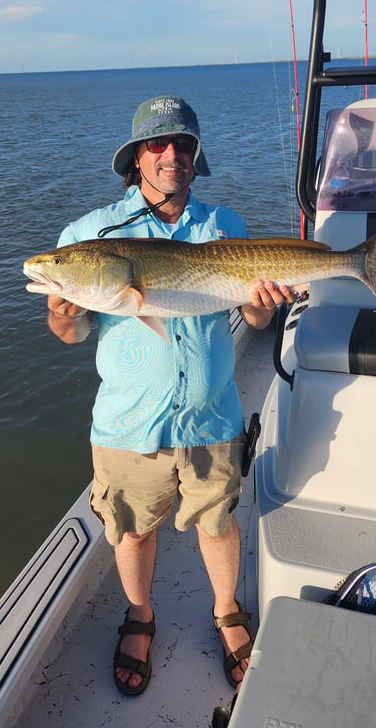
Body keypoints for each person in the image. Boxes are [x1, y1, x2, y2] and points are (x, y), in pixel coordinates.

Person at [46, 95, 295, 695]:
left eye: (183, 144)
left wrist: (261, 312)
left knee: (217, 522)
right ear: (136, 158)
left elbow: (251, 321)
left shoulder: (223, 227)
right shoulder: (89, 236)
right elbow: (71, 331)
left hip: (211, 415)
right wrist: (60, 312)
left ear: (194, 158)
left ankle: (227, 612)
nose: (170, 155)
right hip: (132, 424)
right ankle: (140, 615)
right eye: (157, 144)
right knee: (132, 529)